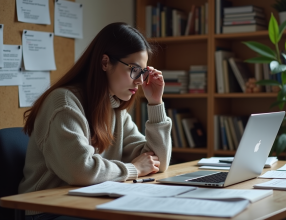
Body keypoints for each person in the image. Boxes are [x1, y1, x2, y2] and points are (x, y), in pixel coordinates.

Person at [19, 22, 172, 220]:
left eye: (143, 72)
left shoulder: (116, 109)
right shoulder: (64, 102)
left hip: (90, 204)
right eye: (134, 70)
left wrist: (155, 102)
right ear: (105, 62)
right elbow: (81, 170)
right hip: (49, 210)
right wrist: (134, 169)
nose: (141, 81)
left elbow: (157, 163)